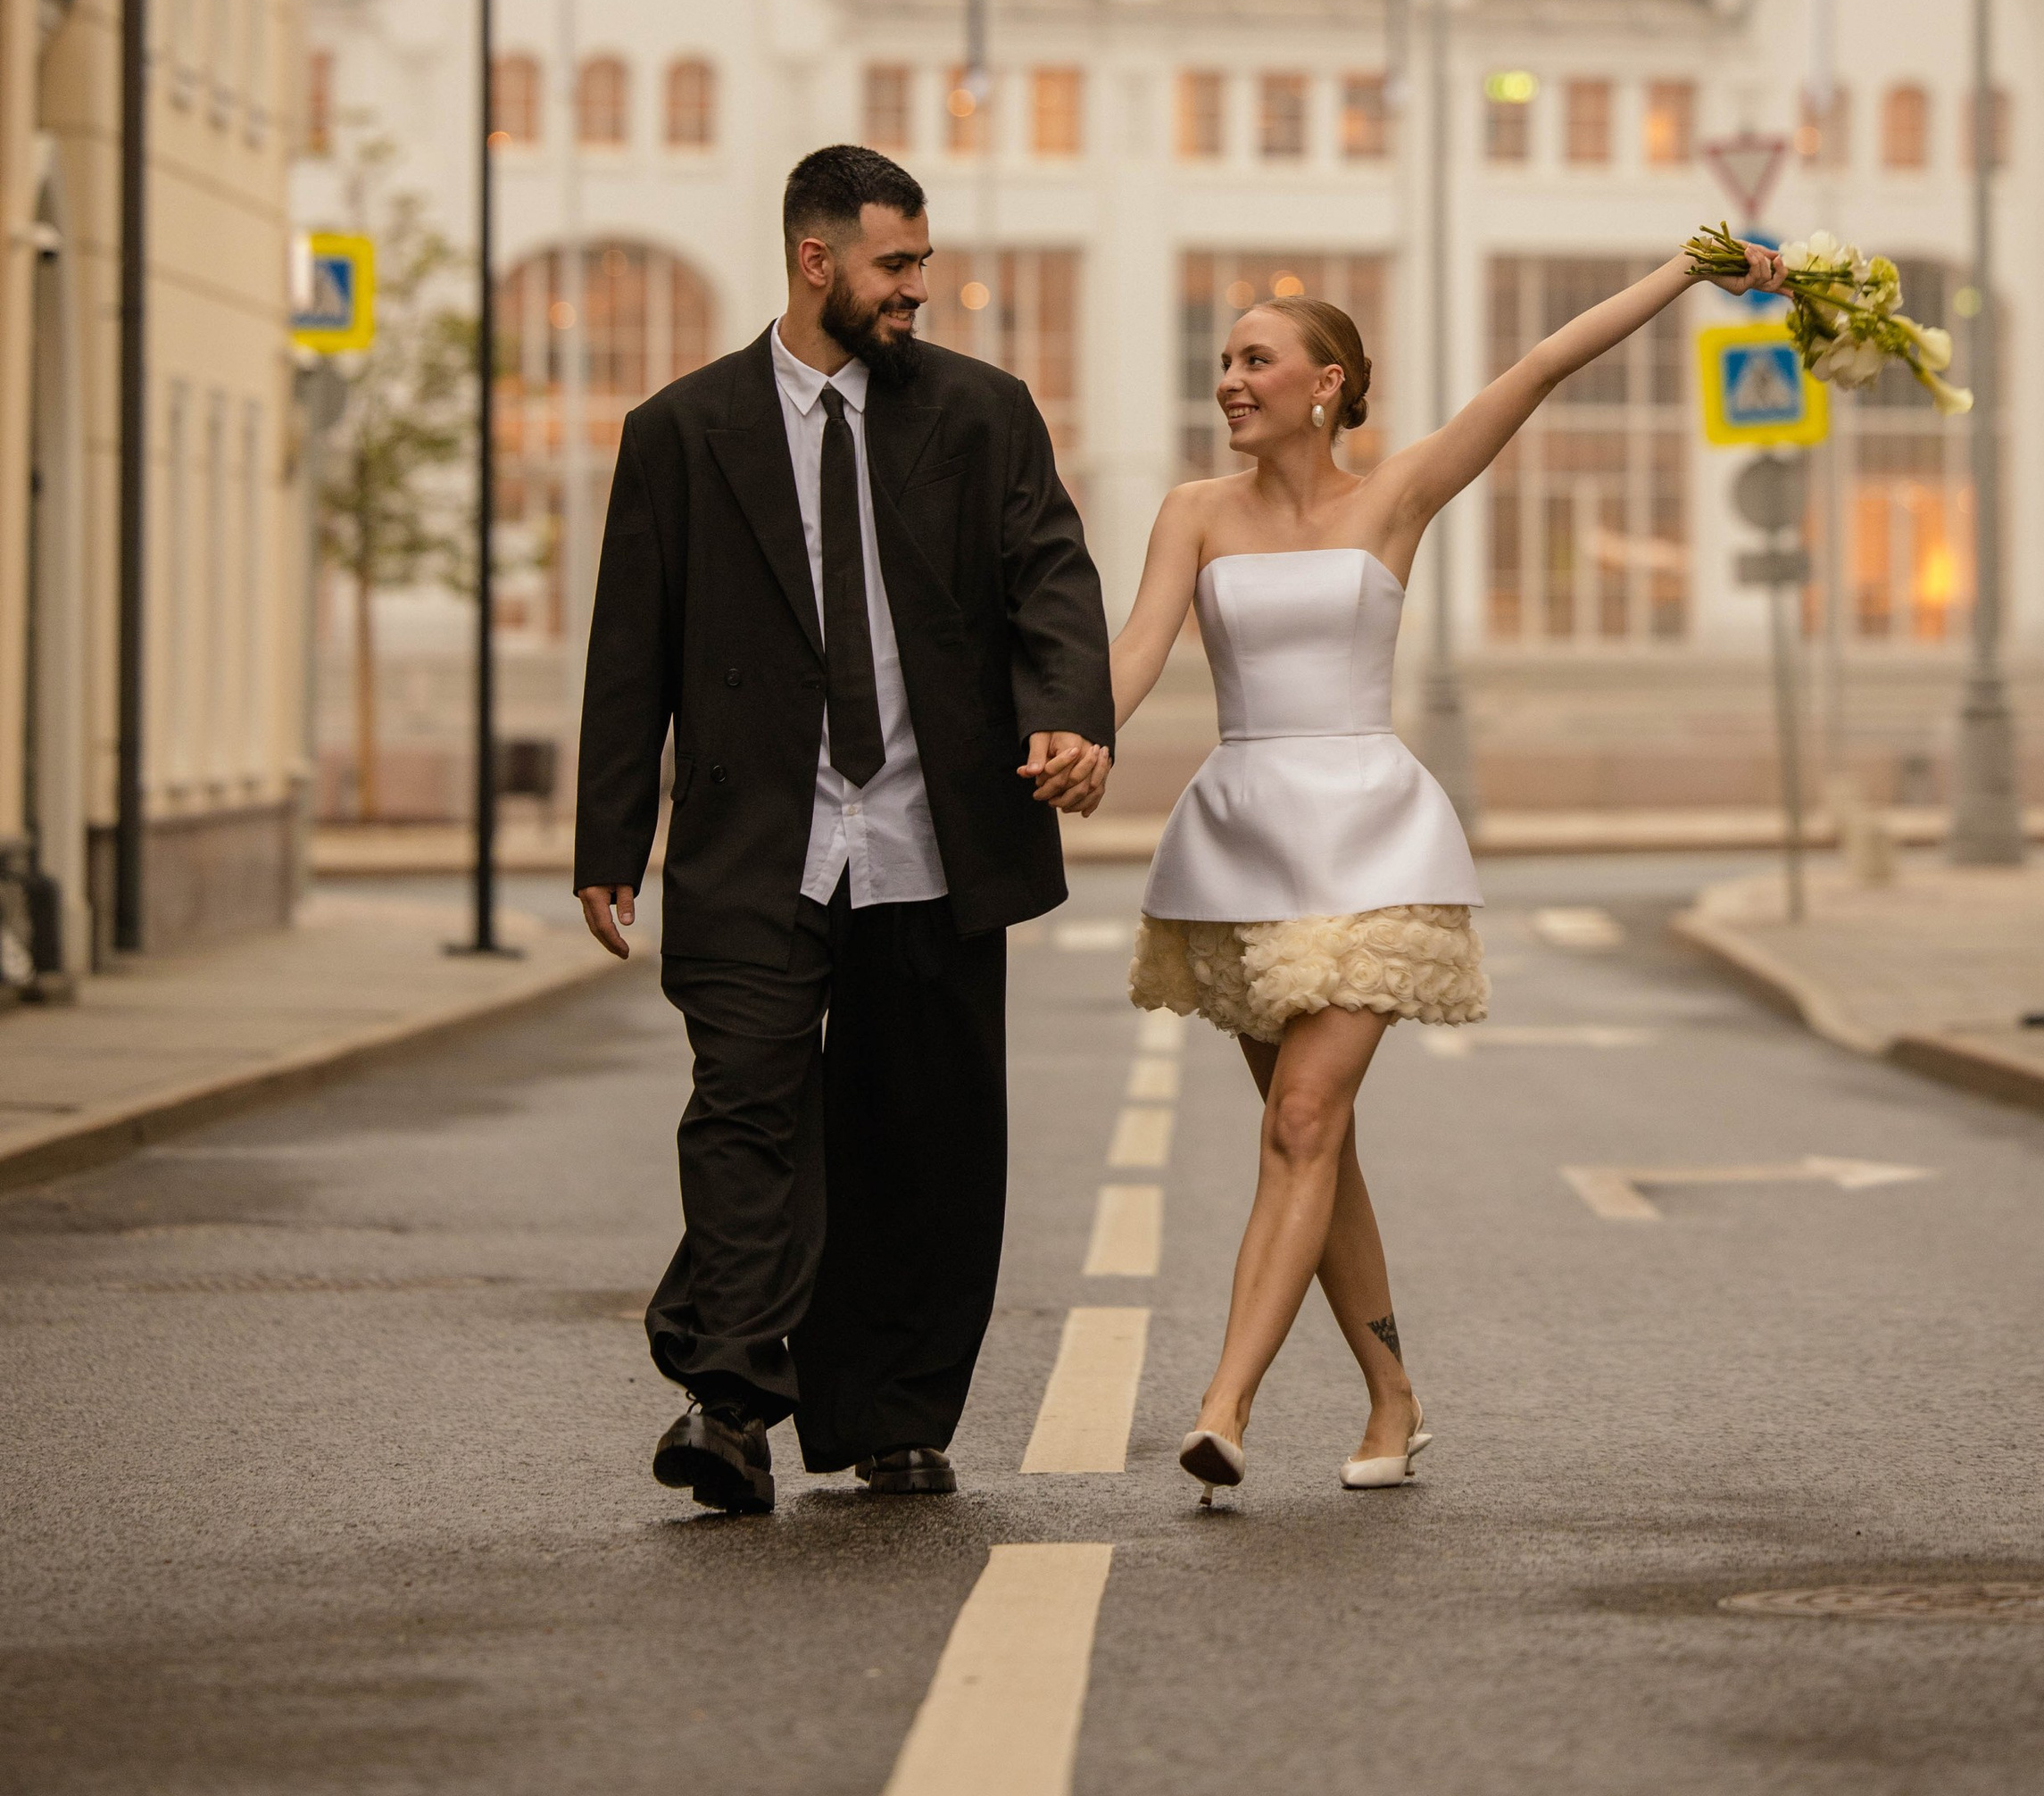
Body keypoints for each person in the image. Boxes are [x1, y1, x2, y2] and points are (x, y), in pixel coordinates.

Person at [1111, 242, 1782, 1501]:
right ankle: (1394, 1397)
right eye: (1224, 361)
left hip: (1373, 839)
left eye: (1256, 359)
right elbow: (1137, 649)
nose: (1230, 380)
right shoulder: (1192, 512)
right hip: (1241, 847)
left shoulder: (1397, 496)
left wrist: (1689, 273)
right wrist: (1076, 739)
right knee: (1316, 1145)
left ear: (1328, 384)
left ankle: (1223, 1408)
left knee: (1302, 1124)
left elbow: (1542, 365)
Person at [574, 143, 1114, 1517]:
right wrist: (608, 839)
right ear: (815, 260)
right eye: (896, 264)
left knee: (921, 1137)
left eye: (921, 262)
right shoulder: (682, 431)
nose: (916, 288)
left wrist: (1068, 714)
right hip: (759, 835)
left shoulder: (981, 414)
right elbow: (633, 646)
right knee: (745, 1106)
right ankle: (731, 1402)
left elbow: (1050, 574)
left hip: (932, 836)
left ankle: (896, 1415)